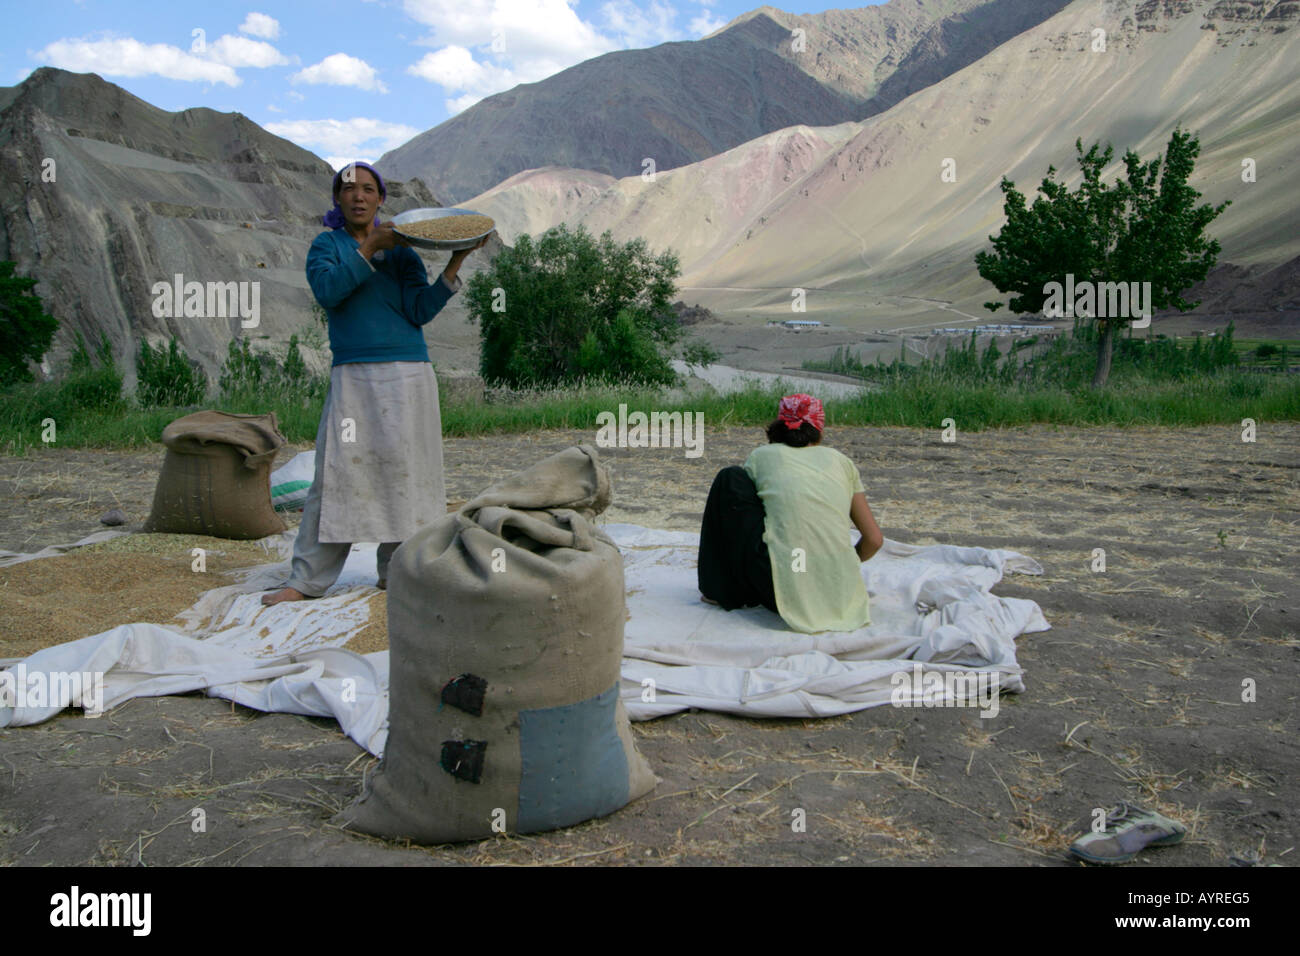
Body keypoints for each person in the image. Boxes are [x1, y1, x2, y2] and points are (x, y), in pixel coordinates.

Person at [262, 161, 492, 605]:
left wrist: (455, 261)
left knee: (408, 476)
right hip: (355, 375)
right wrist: (368, 248)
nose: (359, 196)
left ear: (381, 199)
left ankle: (397, 573)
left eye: (369, 189)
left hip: (409, 375)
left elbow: (419, 311)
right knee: (335, 478)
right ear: (338, 199)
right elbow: (329, 292)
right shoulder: (326, 247)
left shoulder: (403, 254)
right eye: (349, 189)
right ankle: (307, 579)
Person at [697, 393, 884, 633]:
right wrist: (838, 565)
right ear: (819, 430)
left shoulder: (762, 456)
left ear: (778, 427)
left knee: (730, 479)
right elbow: (874, 540)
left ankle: (719, 591)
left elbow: (747, 518)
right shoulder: (842, 461)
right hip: (842, 596)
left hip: (783, 593)